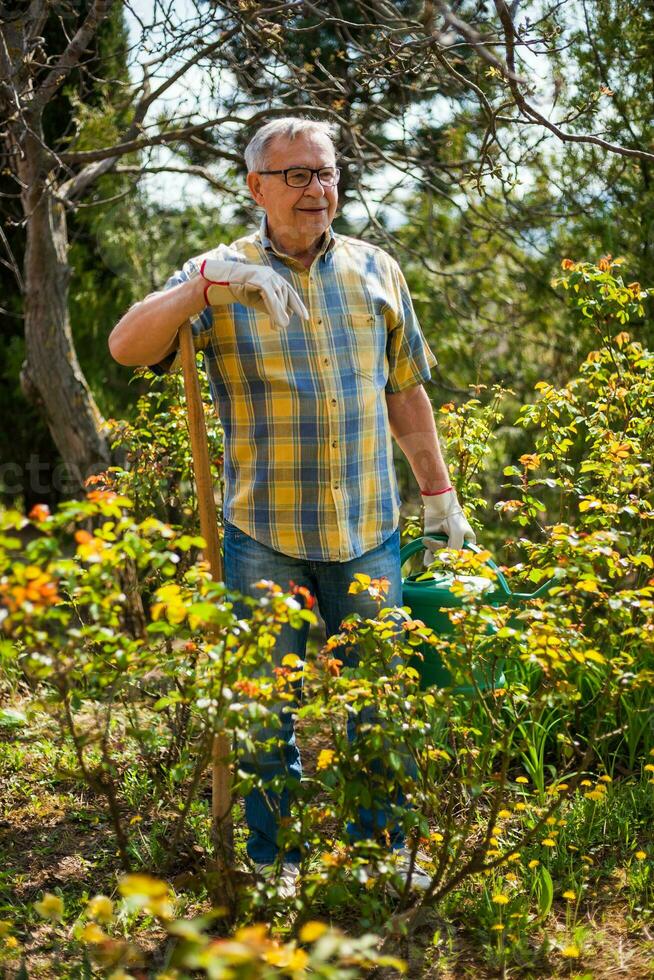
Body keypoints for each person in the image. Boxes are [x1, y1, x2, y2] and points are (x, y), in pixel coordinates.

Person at [108, 116, 475, 898]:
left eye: (328, 173)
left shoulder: (377, 269)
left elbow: (405, 391)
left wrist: (440, 495)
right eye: (298, 175)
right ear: (257, 187)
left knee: (379, 701)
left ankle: (382, 849)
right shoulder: (221, 272)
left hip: (369, 525)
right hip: (262, 530)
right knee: (266, 705)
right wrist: (199, 289)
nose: (318, 189)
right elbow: (127, 347)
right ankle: (273, 857)